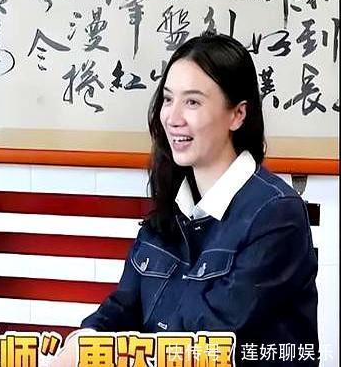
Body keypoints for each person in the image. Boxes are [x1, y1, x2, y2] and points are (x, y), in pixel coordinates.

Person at [50, 32, 318, 366]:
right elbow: (123, 307)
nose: (173, 118)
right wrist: (84, 341)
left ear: (237, 114)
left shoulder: (276, 214)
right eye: (167, 99)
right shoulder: (173, 207)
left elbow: (209, 338)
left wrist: (118, 355)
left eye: (192, 102)